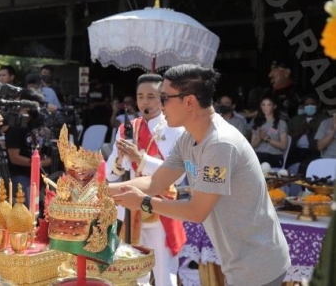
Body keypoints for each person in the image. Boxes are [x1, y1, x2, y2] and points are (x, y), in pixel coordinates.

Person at [110, 64, 290, 286]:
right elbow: (155, 181)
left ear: (189, 102)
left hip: (259, 266)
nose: (159, 104)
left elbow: (196, 211)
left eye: (164, 98)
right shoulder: (189, 138)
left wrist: (143, 203)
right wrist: (101, 190)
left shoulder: (219, 144)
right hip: (239, 262)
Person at [106, 74, 186, 286]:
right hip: (132, 207)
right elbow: (109, 174)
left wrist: (140, 159)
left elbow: (178, 176)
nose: (145, 102)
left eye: (151, 96)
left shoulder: (176, 128)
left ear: (162, 98)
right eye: (140, 96)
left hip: (162, 206)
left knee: (163, 270)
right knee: (132, 268)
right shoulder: (127, 128)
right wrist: (119, 159)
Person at [5, 88, 52, 208]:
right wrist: (41, 163)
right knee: (29, 206)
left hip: (43, 174)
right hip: (21, 173)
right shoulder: (16, 126)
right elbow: (14, 157)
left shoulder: (41, 124)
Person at [287, 94, 327, 174]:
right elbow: (288, 139)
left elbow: (323, 141)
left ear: (317, 105)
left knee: (306, 167)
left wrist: (310, 132)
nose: (309, 107)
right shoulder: (295, 120)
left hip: (313, 151)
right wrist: (300, 131)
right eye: (307, 104)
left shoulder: (323, 120)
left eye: (312, 104)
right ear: (303, 106)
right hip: (296, 150)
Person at [250, 96, 288, 167]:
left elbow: (283, 146)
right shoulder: (256, 122)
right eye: (263, 105)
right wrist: (260, 139)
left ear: (274, 106)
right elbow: (251, 146)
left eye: (269, 105)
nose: (265, 107)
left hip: (274, 156)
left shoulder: (281, 123)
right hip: (259, 155)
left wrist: (267, 139)